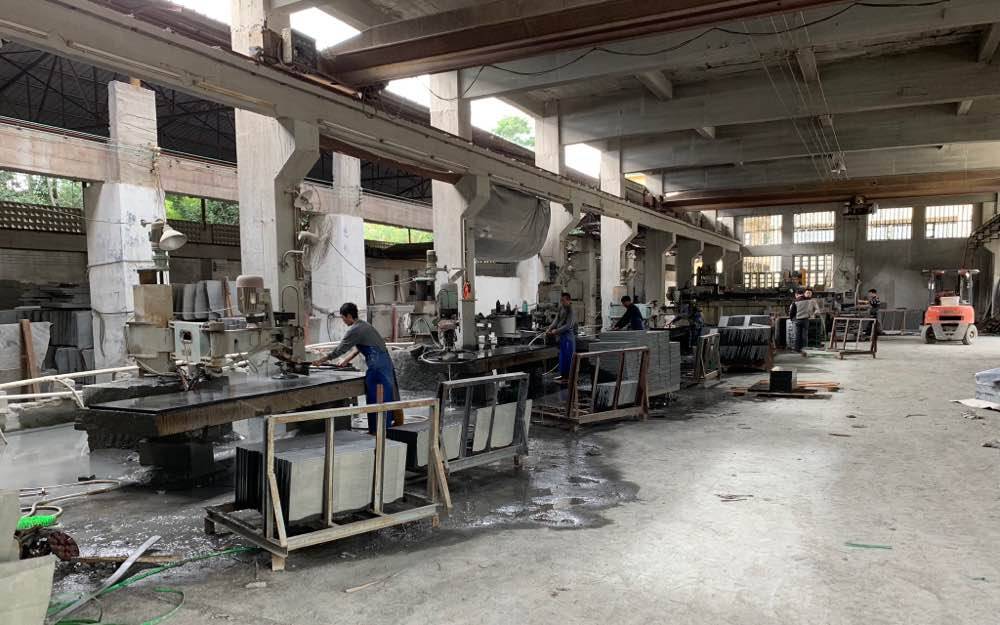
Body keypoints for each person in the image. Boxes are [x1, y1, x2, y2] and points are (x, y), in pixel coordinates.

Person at [315, 302, 397, 434]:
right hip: (385, 364)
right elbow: (359, 347)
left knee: (376, 399)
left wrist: (321, 360)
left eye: (343, 318)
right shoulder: (364, 325)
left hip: (377, 369)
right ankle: (383, 430)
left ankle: (377, 432)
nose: (343, 321)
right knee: (385, 399)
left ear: (348, 316)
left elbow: (340, 349)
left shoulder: (355, 330)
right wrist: (347, 360)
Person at [546, 292, 576, 382]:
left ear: (569, 300)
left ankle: (569, 377)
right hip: (562, 337)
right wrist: (550, 328)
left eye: (563, 300)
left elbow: (568, 326)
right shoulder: (561, 308)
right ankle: (563, 375)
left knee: (568, 358)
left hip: (568, 338)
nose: (562, 302)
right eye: (561, 300)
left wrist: (556, 331)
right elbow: (556, 320)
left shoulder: (571, 310)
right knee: (562, 357)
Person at [789, 289, 809, 356]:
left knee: (797, 335)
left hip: (797, 320)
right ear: (803, 293)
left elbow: (792, 312)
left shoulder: (795, 301)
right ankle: (804, 349)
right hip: (805, 319)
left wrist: (791, 319)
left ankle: (797, 349)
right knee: (804, 335)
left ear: (796, 294)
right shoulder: (808, 300)